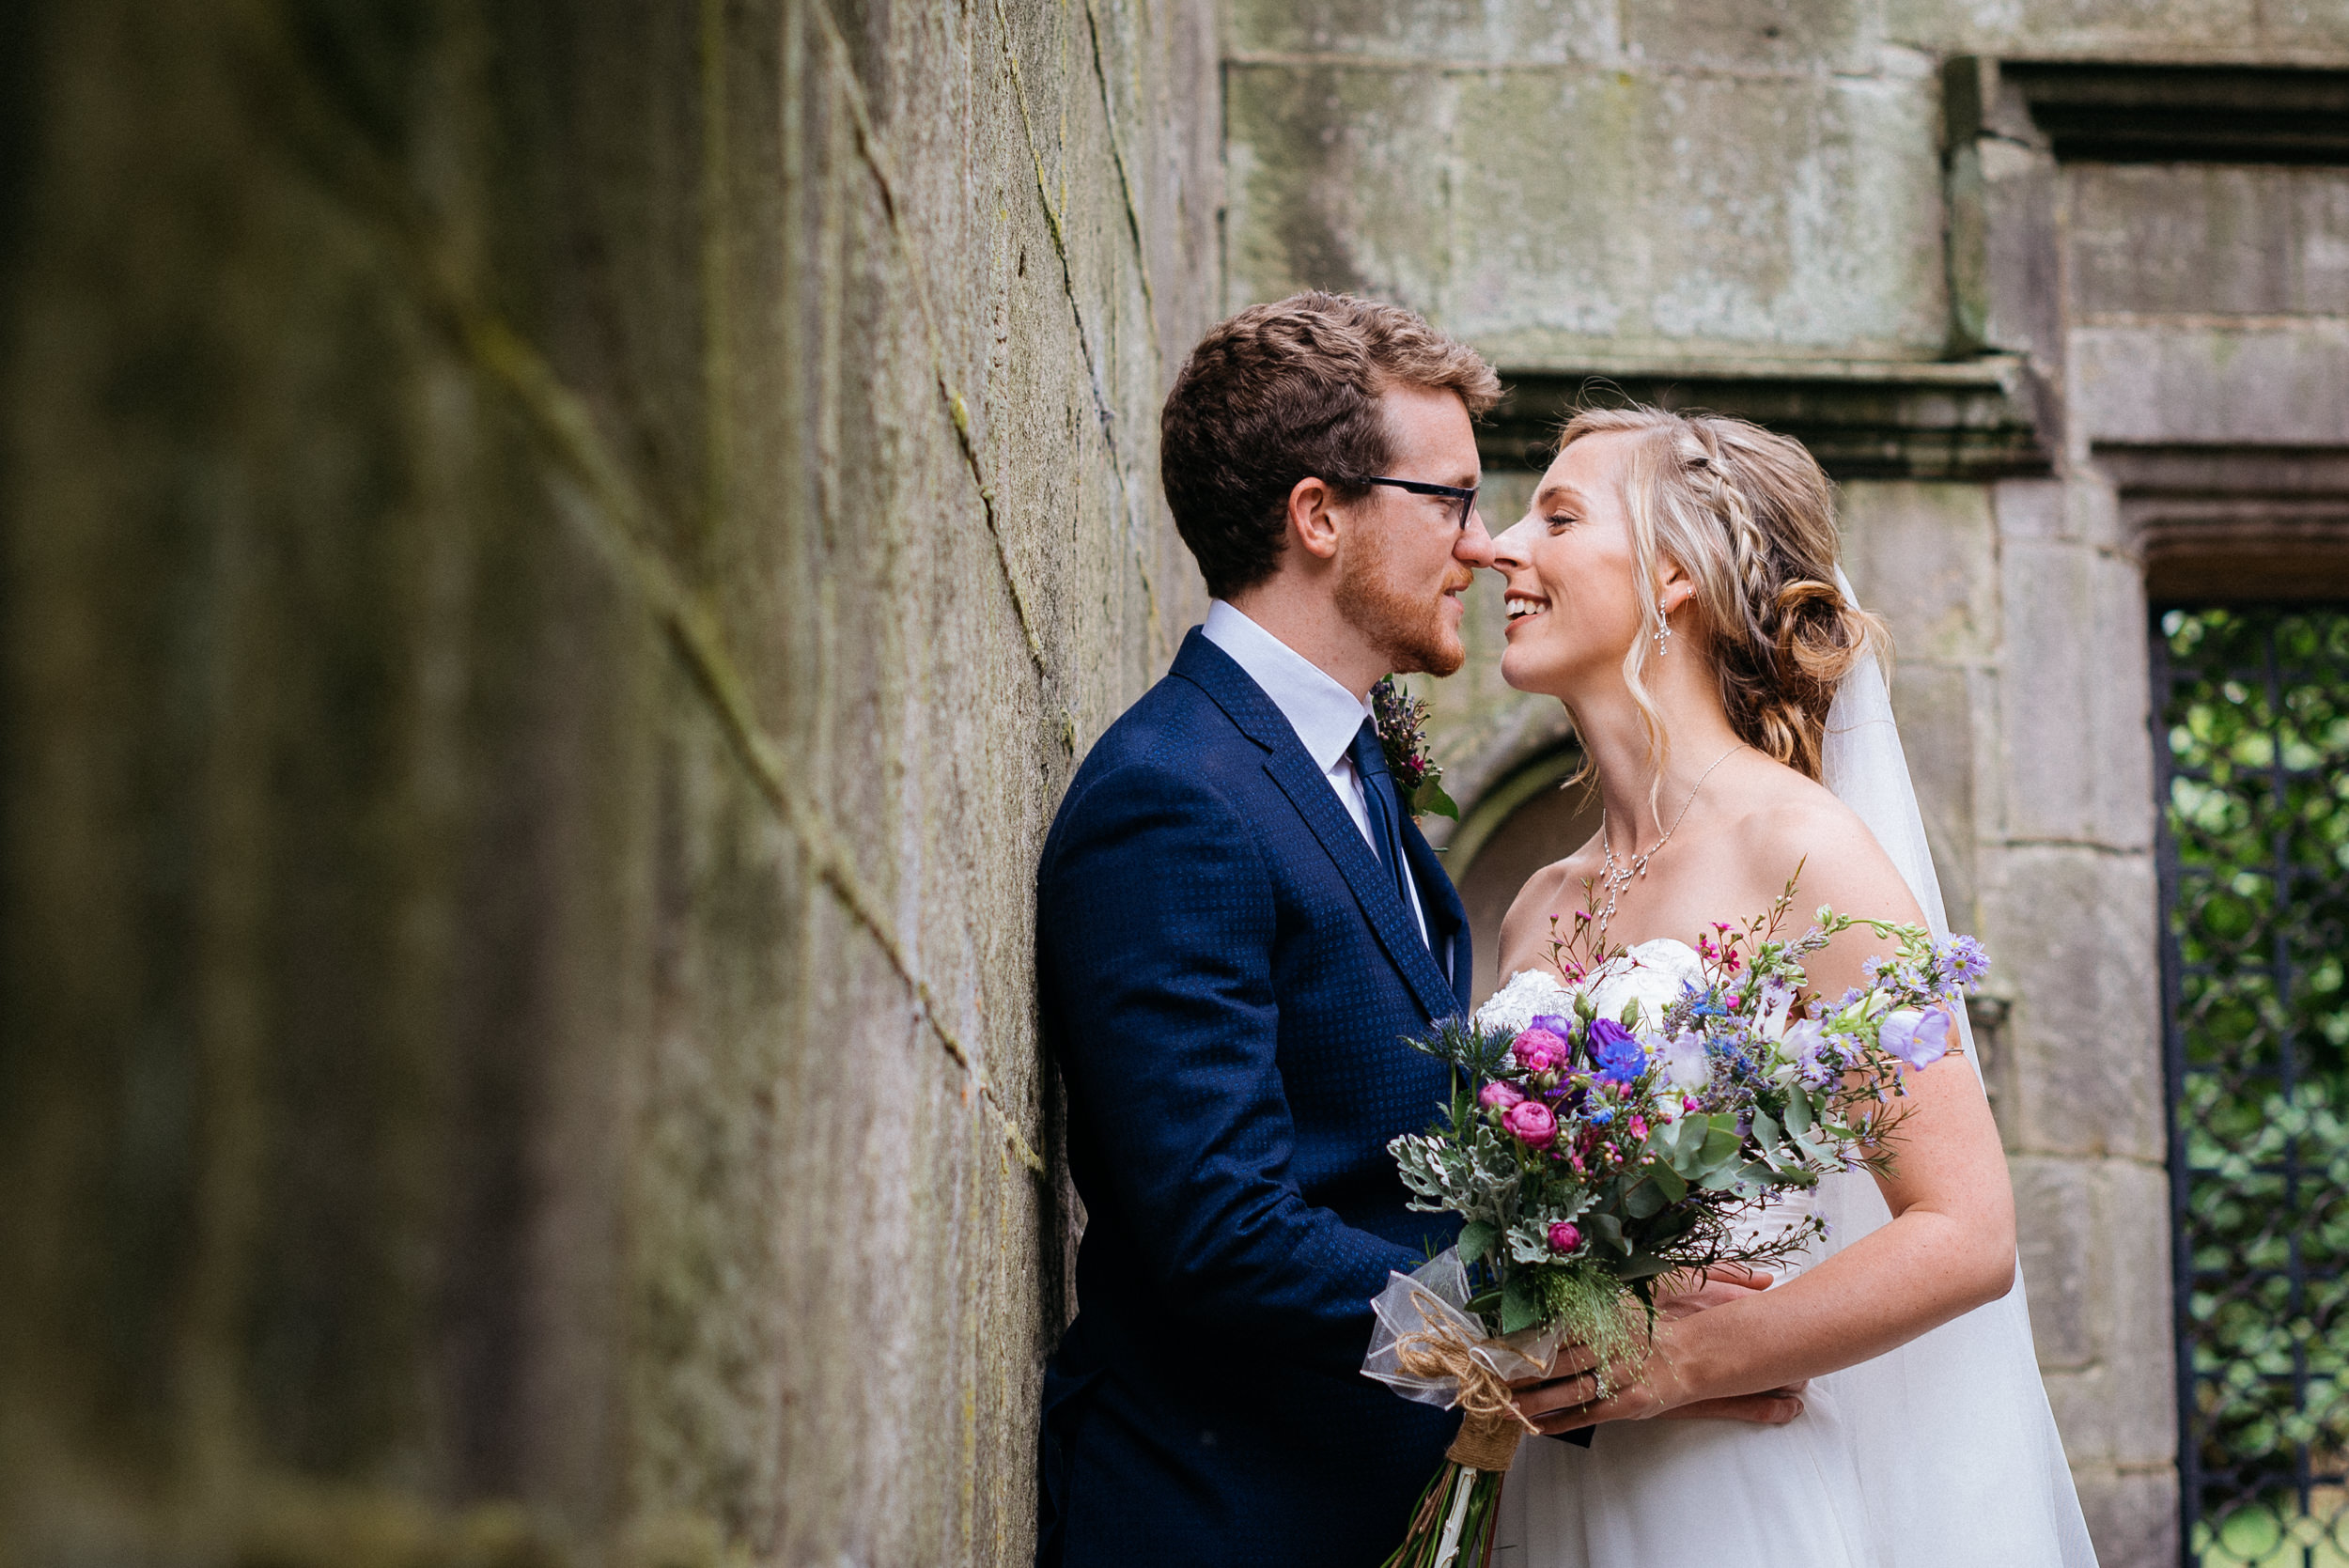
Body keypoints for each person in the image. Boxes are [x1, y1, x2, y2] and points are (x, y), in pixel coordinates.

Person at [1031, 296, 1790, 1566]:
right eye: (1451, 500)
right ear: (1320, 516)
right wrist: (1586, 1327)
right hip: (1215, 1521)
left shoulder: (1348, 764)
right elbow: (1222, 1231)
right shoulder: (1173, 797)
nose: (1485, 547)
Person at [1480, 406, 2098, 1567]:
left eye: (1554, 516)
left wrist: (1675, 1364)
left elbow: (1965, 1229)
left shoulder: (1807, 852)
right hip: (1554, 1494)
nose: (1496, 547)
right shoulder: (1538, 904)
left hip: (1730, 1497)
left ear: (1672, 574)